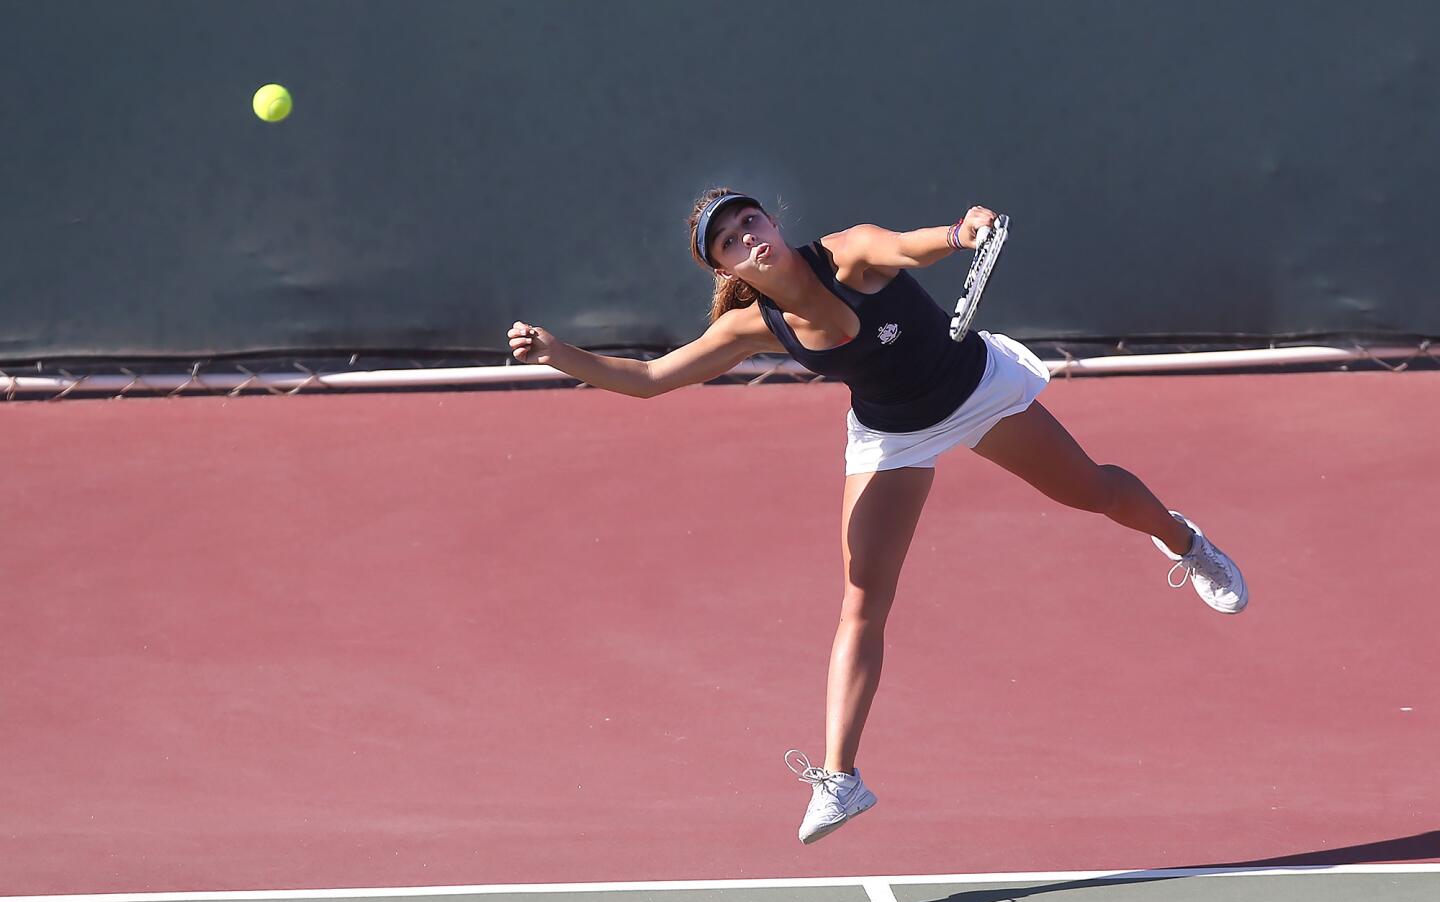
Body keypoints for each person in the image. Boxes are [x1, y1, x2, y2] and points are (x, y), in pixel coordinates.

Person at [506, 188, 1248, 845]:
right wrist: (557, 354)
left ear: (772, 219)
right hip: (892, 433)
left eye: (750, 220)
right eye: (731, 241)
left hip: (973, 390)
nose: (749, 238)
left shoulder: (851, 254)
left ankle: (1185, 540)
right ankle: (840, 778)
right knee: (862, 600)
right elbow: (647, 379)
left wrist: (964, 232)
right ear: (725, 269)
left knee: (1092, 490)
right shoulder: (753, 326)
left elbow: (910, 245)